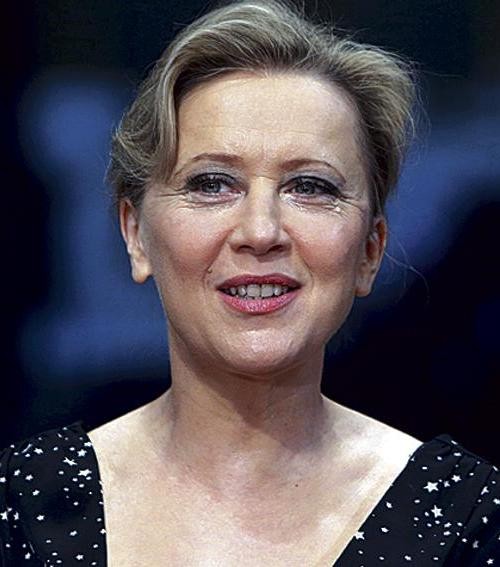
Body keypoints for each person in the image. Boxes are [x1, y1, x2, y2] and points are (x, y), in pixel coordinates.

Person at [1, 1, 499, 565]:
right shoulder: (24, 507)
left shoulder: (469, 522)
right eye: (212, 183)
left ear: (369, 250)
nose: (261, 232)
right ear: (136, 235)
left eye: (310, 187)